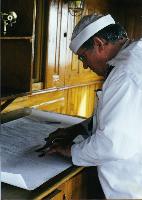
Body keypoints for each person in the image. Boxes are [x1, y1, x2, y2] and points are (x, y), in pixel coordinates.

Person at [47, 14, 142, 199]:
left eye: (83, 57)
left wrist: (70, 151)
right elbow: (126, 117)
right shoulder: (135, 56)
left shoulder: (124, 74)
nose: (84, 66)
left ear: (99, 44)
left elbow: (112, 144)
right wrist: (79, 128)